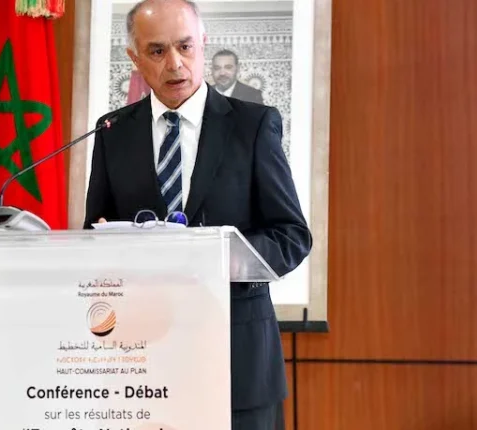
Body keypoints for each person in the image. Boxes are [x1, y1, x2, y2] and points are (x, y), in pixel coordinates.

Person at [83, 0, 311, 428]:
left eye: (185, 46)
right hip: (144, 363)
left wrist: (218, 257)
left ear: (203, 44)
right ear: (134, 58)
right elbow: (96, 235)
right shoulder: (113, 131)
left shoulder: (253, 125)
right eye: (157, 51)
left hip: (238, 362)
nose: (174, 64)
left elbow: (291, 236)